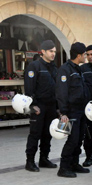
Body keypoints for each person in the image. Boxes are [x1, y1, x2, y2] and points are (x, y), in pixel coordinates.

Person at [55, 42, 90, 178]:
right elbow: (61, 92)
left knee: (79, 138)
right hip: (71, 111)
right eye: (85, 54)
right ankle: (63, 167)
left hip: (81, 110)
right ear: (79, 55)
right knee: (73, 140)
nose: (86, 57)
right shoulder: (65, 70)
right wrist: (63, 112)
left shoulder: (78, 69)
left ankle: (74, 164)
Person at [24, 40, 58, 172]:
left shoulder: (54, 68)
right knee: (35, 134)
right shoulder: (34, 66)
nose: (53, 54)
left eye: (54, 52)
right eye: (51, 51)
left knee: (47, 134)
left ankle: (44, 159)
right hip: (39, 106)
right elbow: (29, 87)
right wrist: (33, 104)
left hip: (51, 106)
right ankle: (30, 161)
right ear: (43, 51)